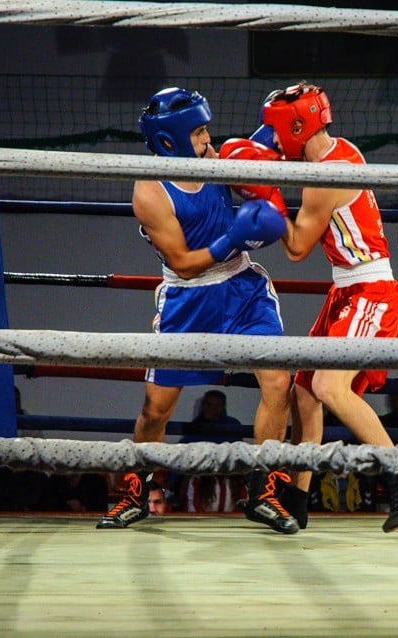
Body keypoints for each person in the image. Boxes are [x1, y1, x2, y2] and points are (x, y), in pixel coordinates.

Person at [96, 87, 296, 534]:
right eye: (200, 132)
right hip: (189, 298)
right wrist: (233, 237)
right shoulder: (150, 192)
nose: (209, 140)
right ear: (171, 141)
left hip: (243, 288)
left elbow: (265, 146)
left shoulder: (220, 159)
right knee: (155, 409)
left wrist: (281, 117)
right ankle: (133, 491)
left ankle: (263, 490)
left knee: (279, 381)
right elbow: (183, 265)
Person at [261, 81, 398, 533]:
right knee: (303, 389)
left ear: (297, 128)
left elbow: (297, 247)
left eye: (278, 132)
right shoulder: (341, 150)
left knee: (331, 386)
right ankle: (297, 500)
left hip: (370, 291)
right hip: (345, 291)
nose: (275, 142)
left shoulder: (326, 177)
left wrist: (265, 197)